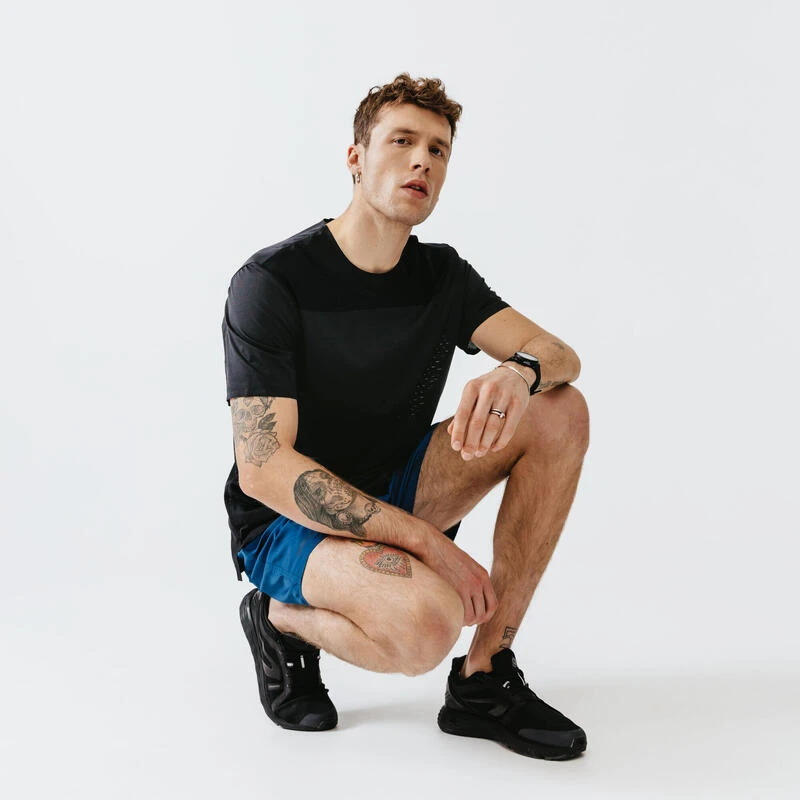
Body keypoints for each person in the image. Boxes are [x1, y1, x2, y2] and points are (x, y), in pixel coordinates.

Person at [222, 73, 590, 760]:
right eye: (401, 141)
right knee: (427, 628)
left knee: (559, 410)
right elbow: (264, 469)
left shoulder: (442, 276)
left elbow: (561, 356)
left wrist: (517, 371)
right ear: (356, 158)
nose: (422, 160)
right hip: (286, 522)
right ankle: (279, 619)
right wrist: (430, 545)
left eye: (438, 150)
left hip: (397, 484)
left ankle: (484, 678)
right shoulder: (272, 282)